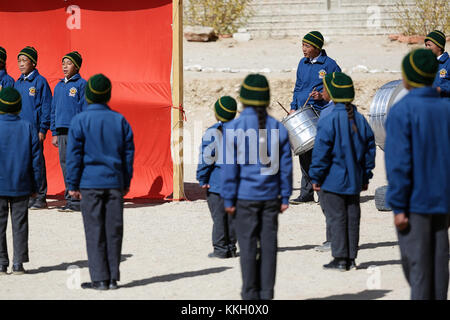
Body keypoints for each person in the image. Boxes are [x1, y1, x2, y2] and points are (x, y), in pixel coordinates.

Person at [385, 48, 450, 300]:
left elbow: (399, 164)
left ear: (407, 77)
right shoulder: (446, 108)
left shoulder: (401, 111)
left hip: (415, 203)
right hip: (443, 201)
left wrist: (398, 206)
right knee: (439, 266)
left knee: (418, 270)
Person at [222, 74, 293, 300]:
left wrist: (228, 199)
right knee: (269, 247)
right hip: (270, 197)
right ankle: (266, 294)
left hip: (244, 198)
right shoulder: (278, 128)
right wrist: (285, 195)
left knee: (248, 247)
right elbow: (286, 166)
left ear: (243, 99)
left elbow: (229, 169)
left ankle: (250, 295)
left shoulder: (233, 128)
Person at [66, 74, 135, 290]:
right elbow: (128, 154)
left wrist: (72, 184)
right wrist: (126, 181)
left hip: (90, 184)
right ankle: (113, 277)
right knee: (114, 229)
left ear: (87, 96)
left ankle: (99, 279)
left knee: (94, 230)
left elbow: (74, 156)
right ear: (108, 95)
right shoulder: (120, 120)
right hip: (114, 182)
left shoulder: (79, 120)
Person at [309, 72, 376, 271]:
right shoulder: (359, 118)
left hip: (332, 180)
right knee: (352, 218)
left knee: (336, 218)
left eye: (324, 88)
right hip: (355, 180)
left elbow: (321, 152)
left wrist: (316, 176)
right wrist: (365, 176)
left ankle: (339, 258)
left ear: (331, 93)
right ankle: (351, 258)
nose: (322, 91)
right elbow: (369, 150)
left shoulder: (327, 118)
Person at [289, 31, 341, 204]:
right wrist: (292, 107)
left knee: (320, 153)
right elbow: (297, 87)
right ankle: (306, 193)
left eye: (307, 46)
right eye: (302, 45)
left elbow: (339, 89)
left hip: (320, 113)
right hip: (301, 115)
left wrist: (322, 96)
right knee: (304, 152)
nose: (303, 49)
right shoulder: (301, 63)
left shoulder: (330, 65)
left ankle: (324, 193)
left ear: (317, 47)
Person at [0, 87, 41, 275]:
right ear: (18, 107)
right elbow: (36, 160)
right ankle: (18, 263)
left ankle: (1, 263)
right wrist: (37, 186)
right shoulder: (28, 126)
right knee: (20, 223)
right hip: (22, 184)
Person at [196, 96, 238, 259]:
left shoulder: (214, 132)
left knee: (219, 217)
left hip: (217, 183)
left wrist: (202, 178)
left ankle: (221, 249)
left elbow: (206, 158)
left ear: (217, 114)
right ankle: (231, 247)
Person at [14, 46, 52, 210]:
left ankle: (40, 196)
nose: (21, 64)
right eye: (19, 61)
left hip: (34, 131)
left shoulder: (40, 82)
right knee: (23, 164)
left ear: (33, 63)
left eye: (24, 60)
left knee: (37, 164)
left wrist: (43, 129)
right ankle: (29, 195)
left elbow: (46, 107)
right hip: (19, 131)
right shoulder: (17, 83)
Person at [50, 51, 87, 212]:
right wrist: (54, 132)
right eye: (63, 63)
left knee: (76, 164)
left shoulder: (81, 84)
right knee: (65, 165)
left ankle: (78, 200)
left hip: (75, 132)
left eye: (69, 63)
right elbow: (53, 110)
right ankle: (70, 199)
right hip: (61, 131)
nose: (65, 66)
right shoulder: (59, 86)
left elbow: (85, 109)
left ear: (77, 66)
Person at [424, 30, 449, 98]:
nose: (426, 48)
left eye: (429, 45)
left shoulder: (448, 64)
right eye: (426, 45)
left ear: (439, 47)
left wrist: (440, 89)